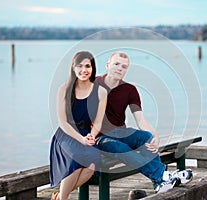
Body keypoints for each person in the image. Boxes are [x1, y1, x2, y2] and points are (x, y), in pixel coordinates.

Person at [95, 52, 193, 193]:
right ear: (107, 65)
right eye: (116, 64)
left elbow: (140, 119)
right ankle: (162, 176)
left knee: (145, 137)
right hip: (100, 138)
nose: (120, 68)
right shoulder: (94, 85)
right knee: (120, 147)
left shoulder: (130, 90)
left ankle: (160, 182)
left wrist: (155, 136)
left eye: (124, 66)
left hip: (121, 132)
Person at [49, 51, 107, 200]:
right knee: (76, 158)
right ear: (73, 68)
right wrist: (81, 140)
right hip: (65, 135)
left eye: (87, 66)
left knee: (93, 162)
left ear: (93, 68)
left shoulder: (100, 91)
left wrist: (91, 136)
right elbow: (62, 122)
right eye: (79, 66)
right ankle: (63, 198)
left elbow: (98, 122)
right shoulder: (64, 90)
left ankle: (60, 196)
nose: (84, 70)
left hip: (86, 134)